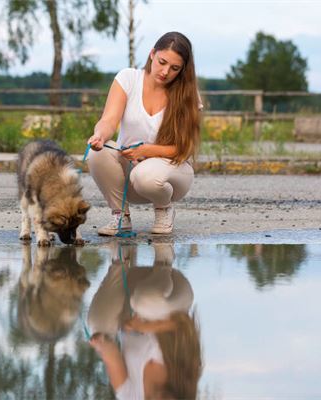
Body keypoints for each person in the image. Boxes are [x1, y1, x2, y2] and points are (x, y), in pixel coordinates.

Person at [87, 31, 203, 236]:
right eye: (162, 62)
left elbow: (184, 150)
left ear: (183, 69)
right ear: (152, 54)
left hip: (171, 175)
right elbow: (108, 121)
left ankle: (163, 209)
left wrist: (147, 151)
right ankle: (120, 216)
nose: (165, 71)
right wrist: (99, 135)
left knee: (145, 174)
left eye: (174, 68)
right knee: (98, 153)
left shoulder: (188, 94)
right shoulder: (128, 78)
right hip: (130, 173)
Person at [87, 243, 203, 399]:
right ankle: (163, 258)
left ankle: (121, 258)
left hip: (133, 286)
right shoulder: (186, 376)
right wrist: (143, 326)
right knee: (144, 303)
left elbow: (112, 358)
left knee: (99, 325)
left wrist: (102, 345)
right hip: (171, 293)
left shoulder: (130, 397)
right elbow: (182, 324)